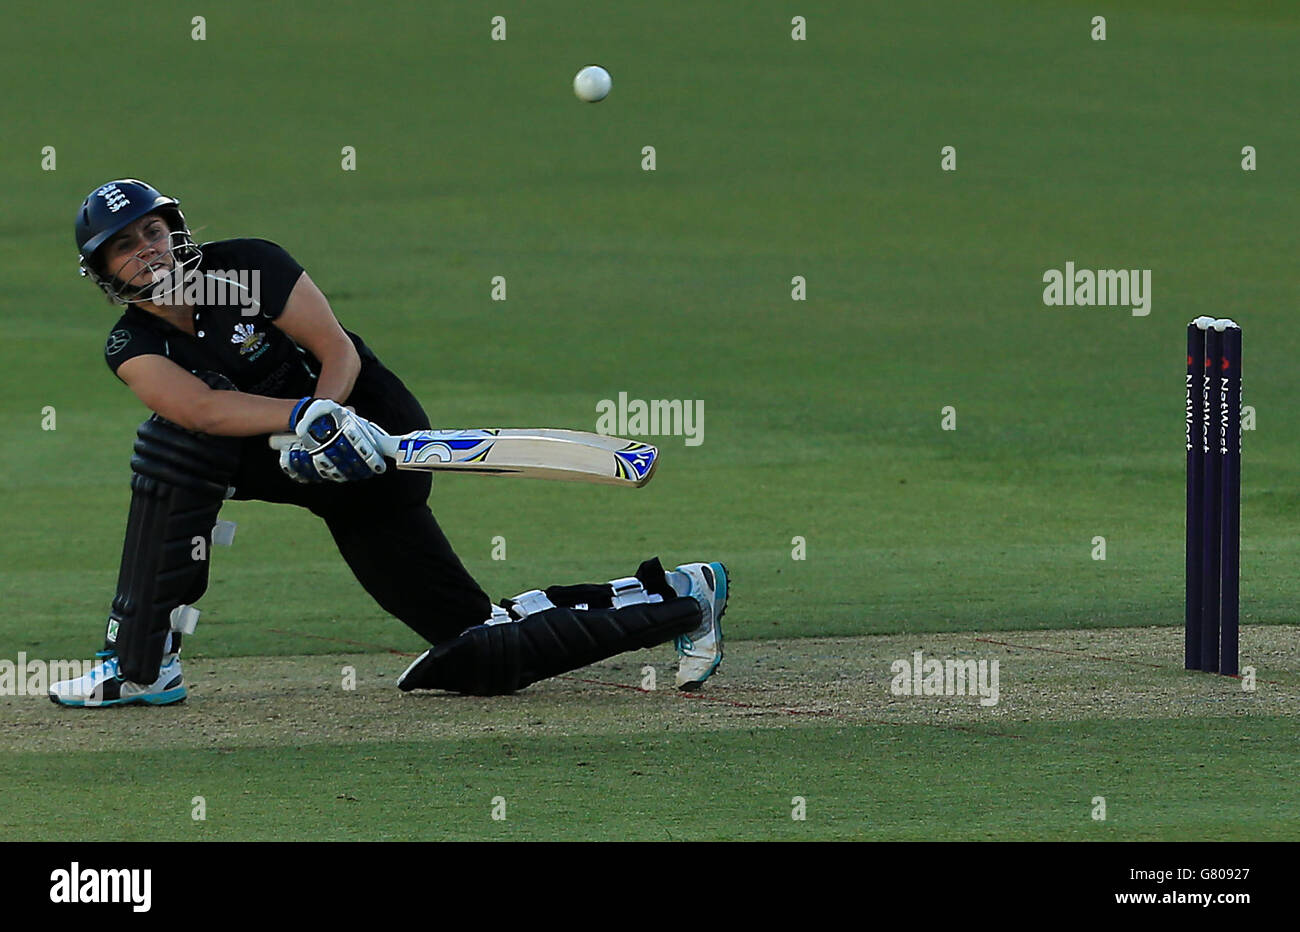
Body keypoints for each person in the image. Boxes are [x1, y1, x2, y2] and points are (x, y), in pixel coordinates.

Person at [49, 178, 727, 707]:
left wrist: (332, 414)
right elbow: (198, 408)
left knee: (479, 655)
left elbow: (335, 349)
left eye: (154, 231)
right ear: (105, 270)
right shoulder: (131, 344)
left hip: (375, 437)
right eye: (127, 245)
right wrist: (304, 422)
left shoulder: (247, 267)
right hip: (287, 445)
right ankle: (144, 665)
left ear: (176, 231)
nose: (150, 250)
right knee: (172, 447)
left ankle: (683, 598)